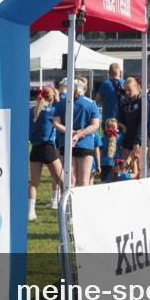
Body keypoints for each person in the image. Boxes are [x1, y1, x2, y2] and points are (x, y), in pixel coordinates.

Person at [53, 78, 100, 187]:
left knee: (70, 182)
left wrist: (72, 133)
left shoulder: (63, 103)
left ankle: (70, 204)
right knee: (83, 181)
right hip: (85, 144)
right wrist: (78, 135)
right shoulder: (91, 103)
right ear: (83, 89)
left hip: (67, 143)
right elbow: (95, 125)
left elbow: (56, 123)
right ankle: (81, 204)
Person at [28, 86, 63, 221]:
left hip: (35, 148)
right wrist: (58, 99)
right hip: (48, 148)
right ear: (53, 96)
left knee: (34, 183)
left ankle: (31, 212)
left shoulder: (32, 111)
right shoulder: (53, 111)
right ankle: (67, 210)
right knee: (63, 181)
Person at [118, 77, 144, 179]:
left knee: (139, 168)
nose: (127, 92)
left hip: (139, 139)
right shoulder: (126, 102)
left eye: (129, 90)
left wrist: (137, 141)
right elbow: (123, 120)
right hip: (127, 137)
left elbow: (142, 122)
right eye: (126, 90)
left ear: (137, 87)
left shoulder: (142, 101)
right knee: (127, 166)